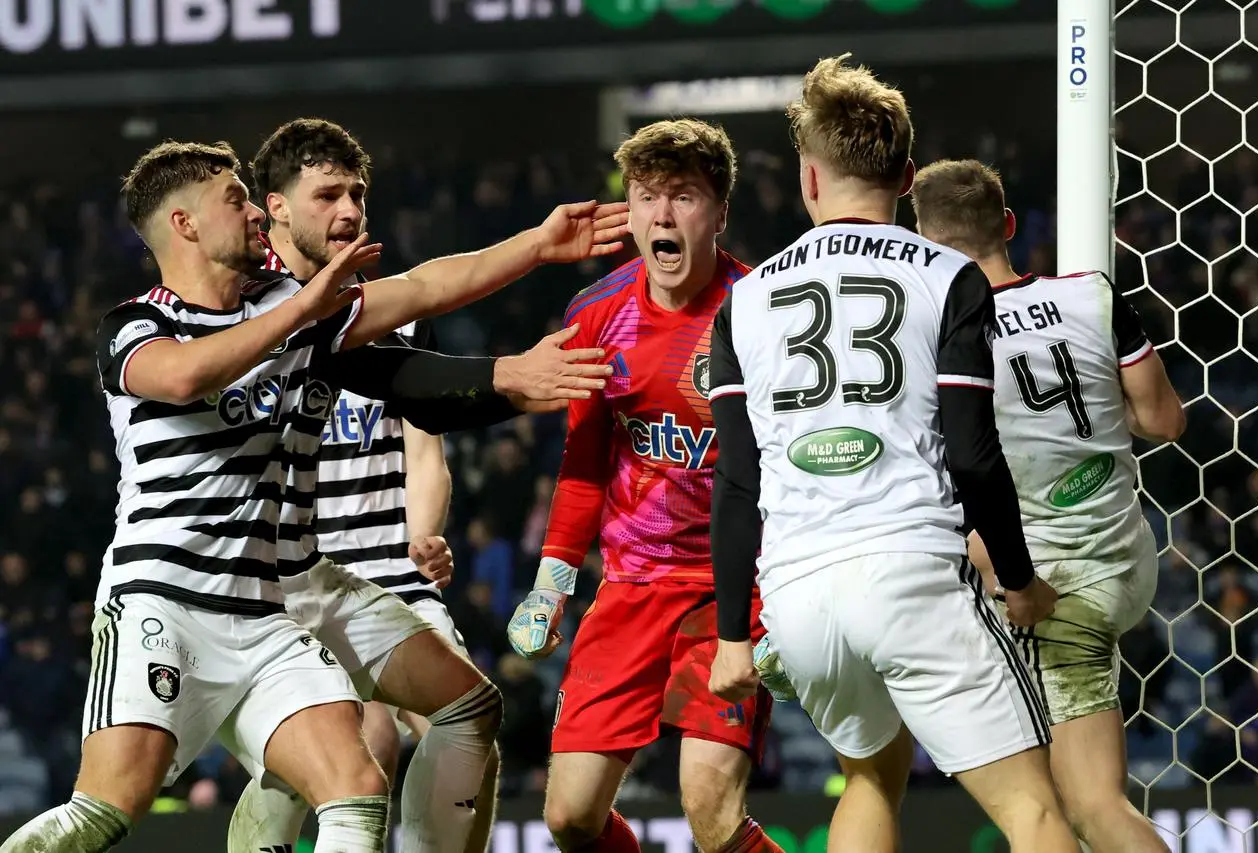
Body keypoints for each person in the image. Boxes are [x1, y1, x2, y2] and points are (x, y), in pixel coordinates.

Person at [1, 139, 627, 853]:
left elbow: (422, 289)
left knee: (357, 784)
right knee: (104, 810)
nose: (249, 212)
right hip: (165, 601)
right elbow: (183, 379)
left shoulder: (295, 310)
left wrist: (537, 245)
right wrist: (302, 309)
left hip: (270, 610)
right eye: (233, 199)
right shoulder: (139, 324)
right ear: (185, 225)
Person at [705, 55, 1081, 853]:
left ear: (809, 179)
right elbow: (975, 455)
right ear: (907, 177)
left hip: (798, 595)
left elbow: (736, 480)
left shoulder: (742, 300)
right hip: (910, 569)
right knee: (1033, 810)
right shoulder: (948, 277)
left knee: (871, 775)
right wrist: (1017, 579)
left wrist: (734, 634)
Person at [229, 118, 545, 853]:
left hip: (389, 570)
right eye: (329, 194)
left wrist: (421, 533)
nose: (350, 210)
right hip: (290, 581)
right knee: (352, 745)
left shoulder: (389, 318)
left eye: (358, 194)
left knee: (466, 717)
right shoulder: (246, 318)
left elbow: (425, 449)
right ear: (277, 206)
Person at [506, 119, 784, 853]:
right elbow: (585, 460)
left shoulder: (759, 313)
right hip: (628, 587)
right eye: (646, 197)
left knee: (710, 808)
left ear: (718, 215)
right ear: (627, 212)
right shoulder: (596, 314)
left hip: (728, 590)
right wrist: (550, 583)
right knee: (568, 817)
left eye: (683, 196)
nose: (661, 214)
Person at [911, 158, 1183, 853]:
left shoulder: (944, 342)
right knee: (1062, 802)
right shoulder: (1090, 295)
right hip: (1125, 556)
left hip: (1050, 592)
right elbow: (1163, 420)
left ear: (926, 248)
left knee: (1090, 808)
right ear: (1005, 226)